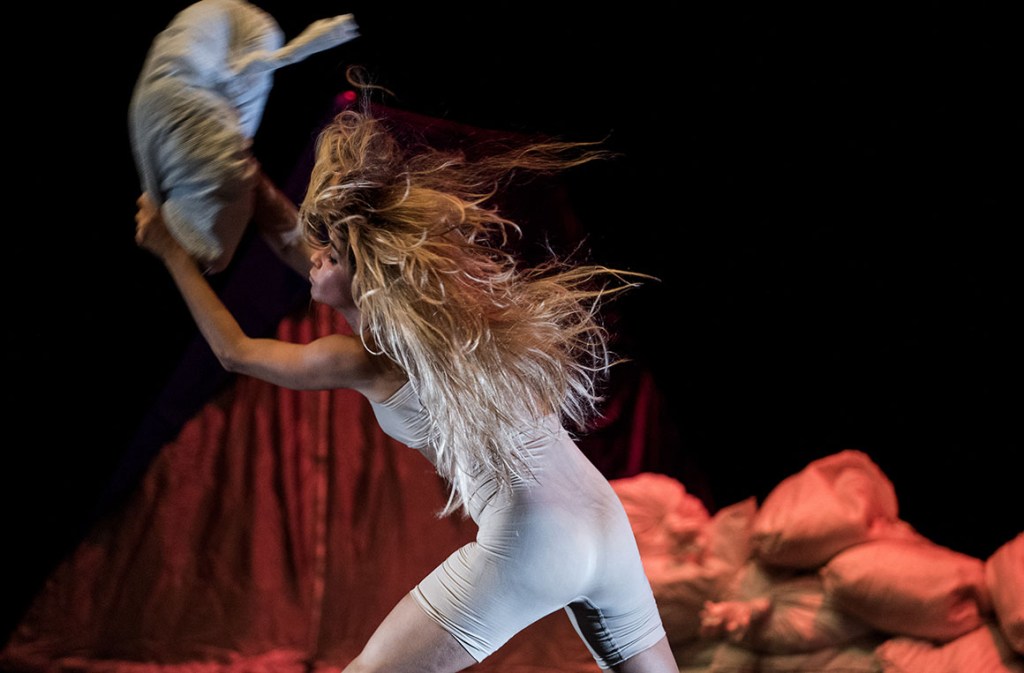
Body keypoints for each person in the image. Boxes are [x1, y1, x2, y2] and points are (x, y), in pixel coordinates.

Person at [134, 99, 678, 673]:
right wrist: (257, 186)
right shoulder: (453, 329)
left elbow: (235, 352)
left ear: (366, 278)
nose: (314, 259)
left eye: (331, 256)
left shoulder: (364, 360)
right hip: (605, 522)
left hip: (533, 542)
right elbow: (311, 252)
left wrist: (171, 251)